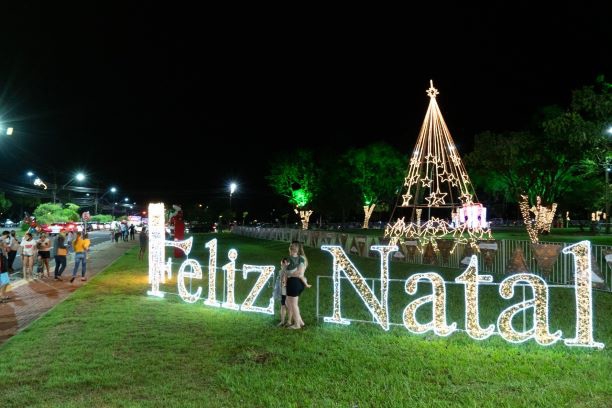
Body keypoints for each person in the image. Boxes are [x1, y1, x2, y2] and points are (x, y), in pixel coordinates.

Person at [284, 241, 310, 330]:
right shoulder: (300, 259)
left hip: (294, 283)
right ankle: (300, 321)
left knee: (293, 305)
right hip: (297, 283)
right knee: (289, 302)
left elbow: (300, 273)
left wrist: (289, 274)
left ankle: (297, 325)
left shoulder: (298, 259)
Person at [274, 257, 289, 327]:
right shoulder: (280, 272)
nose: (283, 266)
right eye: (282, 265)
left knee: (289, 306)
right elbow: (279, 282)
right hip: (283, 291)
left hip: (289, 291)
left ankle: (289, 321)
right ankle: (282, 321)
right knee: (283, 305)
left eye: (284, 264)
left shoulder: (290, 271)